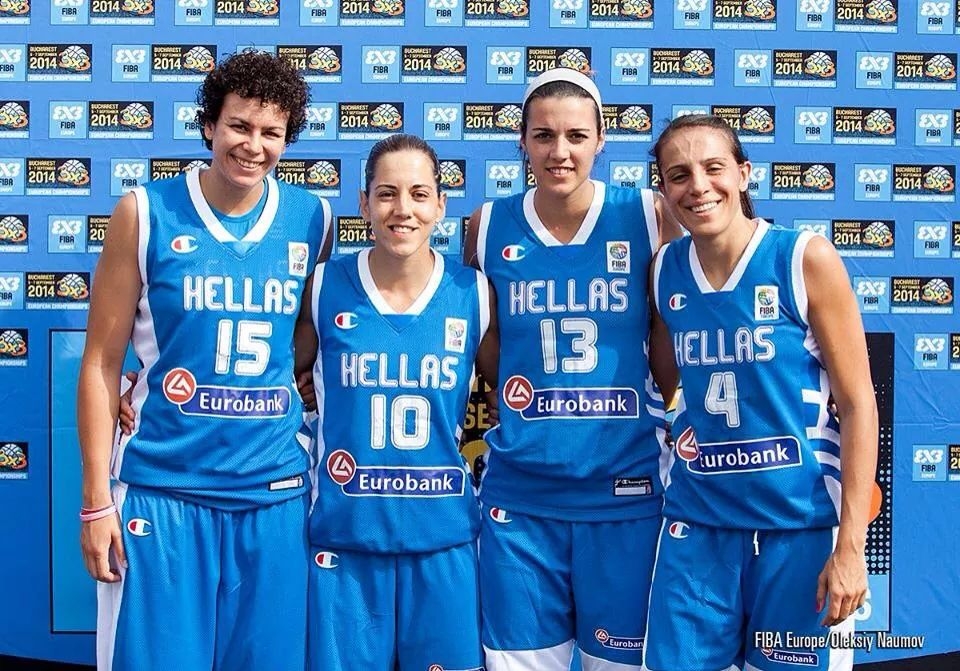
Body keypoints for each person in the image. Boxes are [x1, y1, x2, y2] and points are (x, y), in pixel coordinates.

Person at [77, 50, 332, 670]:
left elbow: (305, 331)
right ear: (210, 125)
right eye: (239, 126)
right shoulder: (145, 212)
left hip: (272, 490)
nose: (253, 145)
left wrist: (292, 378)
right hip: (164, 488)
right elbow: (100, 362)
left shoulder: (311, 217)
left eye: (271, 132)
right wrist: (96, 502)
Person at [643, 113, 878, 671]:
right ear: (664, 190)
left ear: (744, 174)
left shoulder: (803, 258)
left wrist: (850, 546)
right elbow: (662, 381)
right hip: (698, 526)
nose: (698, 186)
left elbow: (858, 404)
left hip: (798, 527)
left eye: (714, 168)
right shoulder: (665, 270)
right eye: (679, 175)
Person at [463, 68, 680, 671]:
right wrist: (524, 394)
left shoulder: (648, 214)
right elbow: (486, 338)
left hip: (624, 489)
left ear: (601, 139)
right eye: (544, 136)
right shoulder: (486, 226)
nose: (560, 151)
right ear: (522, 141)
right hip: (522, 494)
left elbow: (674, 324)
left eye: (577, 136)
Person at [303, 134, 498, 671]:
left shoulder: (473, 292)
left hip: (442, 538)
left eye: (419, 194)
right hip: (346, 539)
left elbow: (515, 393)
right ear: (363, 204)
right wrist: (136, 381)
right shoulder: (323, 287)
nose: (402, 209)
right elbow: (268, 374)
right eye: (386, 194)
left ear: (441, 205)